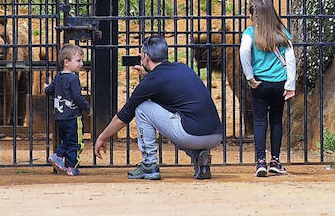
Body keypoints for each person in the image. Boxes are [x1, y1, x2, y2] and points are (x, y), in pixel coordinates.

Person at [92, 34, 223, 181]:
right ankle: (199, 156)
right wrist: (147, 76)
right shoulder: (182, 68)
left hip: (191, 134)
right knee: (178, 116)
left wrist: (102, 137)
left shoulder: (151, 81)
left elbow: (123, 117)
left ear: (146, 57)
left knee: (142, 108)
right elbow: (166, 86)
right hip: (215, 136)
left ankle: (149, 164)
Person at [240, 0, 297, 178]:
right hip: (279, 83)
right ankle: (275, 161)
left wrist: (250, 76)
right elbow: (291, 58)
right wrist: (290, 83)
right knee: (276, 121)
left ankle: (260, 163)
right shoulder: (281, 32)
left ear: (253, 16)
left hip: (260, 84)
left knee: (259, 121)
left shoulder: (250, 33)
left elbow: (243, 52)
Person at [44, 44, 92, 177]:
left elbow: (49, 90)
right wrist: (87, 108)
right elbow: (77, 96)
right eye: (78, 61)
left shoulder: (58, 76)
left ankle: (58, 156)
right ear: (66, 62)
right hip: (72, 117)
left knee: (67, 141)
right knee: (76, 142)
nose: (81, 64)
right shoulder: (73, 78)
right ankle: (71, 166)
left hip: (60, 118)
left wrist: (45, 87)